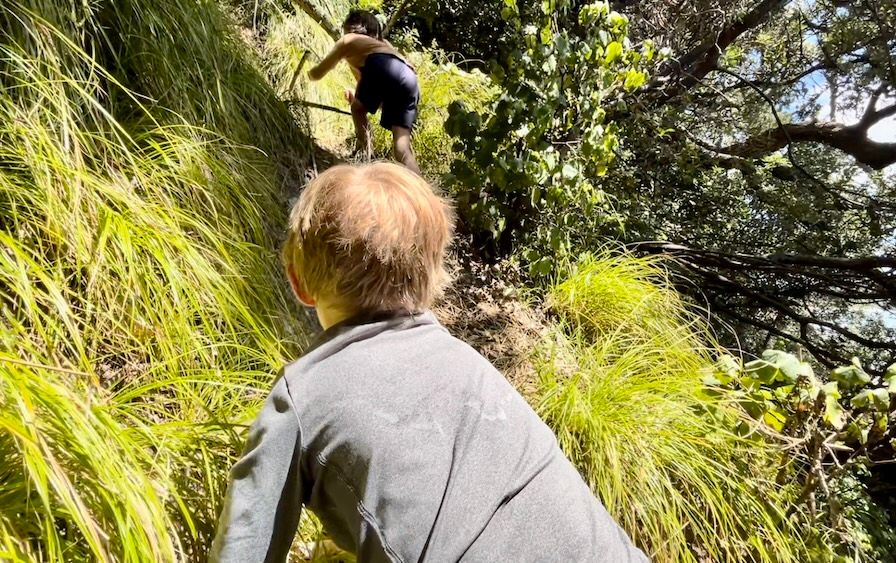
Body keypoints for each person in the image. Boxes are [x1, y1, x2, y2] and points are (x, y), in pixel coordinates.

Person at [210, 163, 649, 562]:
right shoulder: (469, 364)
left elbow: (241, 550)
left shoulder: (301, 396)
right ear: (433, 280)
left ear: (298, 283)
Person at [308, 10, 421, 174]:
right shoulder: (384, 46)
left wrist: (308, 74)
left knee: (357, 109)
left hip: (382, 67)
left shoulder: (348, 40)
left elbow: (318, 73)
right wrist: (359, 99)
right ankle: (424, 192)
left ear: (348, 29)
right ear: (375, 33)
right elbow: (382, 84)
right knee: (402, 149)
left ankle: (366, 157)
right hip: (411, 79)